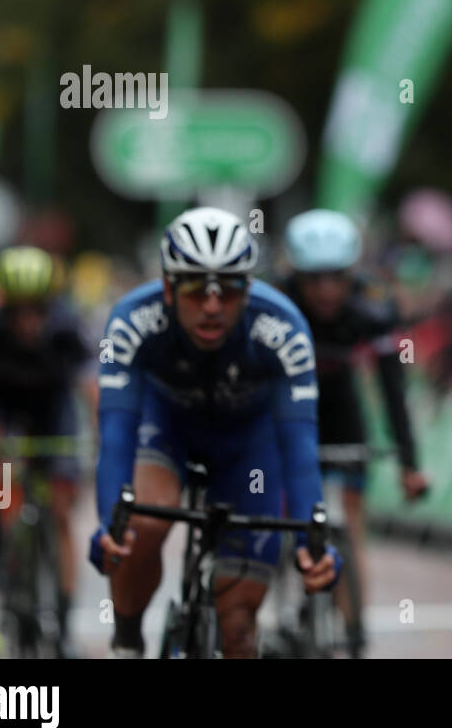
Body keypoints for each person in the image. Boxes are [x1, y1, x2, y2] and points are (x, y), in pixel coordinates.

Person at [90, 207, 338, 658]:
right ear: (167, 287)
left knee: (239, 630)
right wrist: (110, 525)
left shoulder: (284, 328)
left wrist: (312, 544)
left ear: (248, 289)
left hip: (249, 445)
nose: (210, 306)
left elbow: (300, 449)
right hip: (165, 426)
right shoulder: (131, 320)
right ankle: (127, 637)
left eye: (226, 290)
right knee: (142, 520)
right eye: (193, 288)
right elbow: (116, 432)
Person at [281, 208, 427, 657]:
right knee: (284, 516)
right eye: (314, 278)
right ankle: (287, 601)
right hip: (287, 411)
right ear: (296, 275)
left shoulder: (373, 309)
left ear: (352, 274)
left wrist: (409, 463)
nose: (326, 290)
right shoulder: (276, 302)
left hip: (344, 414)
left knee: (350, 521)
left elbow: (392, 391)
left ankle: (354, 629)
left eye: (336, 278)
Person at [0, 246, 95, 657]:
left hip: (54, 417)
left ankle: (65, 618)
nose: (27, 320)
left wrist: (106, 437)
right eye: (18, 310)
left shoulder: (68, 328)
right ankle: (4, 574)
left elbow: (92, 390)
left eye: (36, 309)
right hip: (5, 417)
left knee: (62, 512)